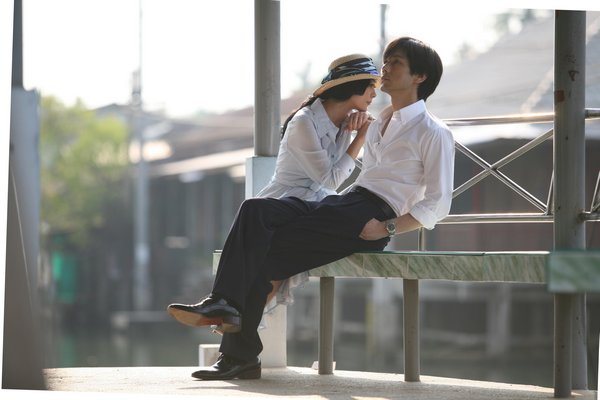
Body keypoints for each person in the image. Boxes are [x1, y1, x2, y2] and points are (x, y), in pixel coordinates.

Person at [167, 36, 455, 381]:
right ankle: (228, 320)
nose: (385, 69)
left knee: (260, 251)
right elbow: (353, 177)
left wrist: (387, 227)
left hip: (373, 215)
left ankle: (233, 342)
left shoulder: (433, 131)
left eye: (396, 63)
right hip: (346, 202)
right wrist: (353, 136)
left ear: (419, 76)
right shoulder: (378, 123)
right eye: (386, 60)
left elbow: (438, 202)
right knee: (255, 210)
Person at [257, 53, 379, 314]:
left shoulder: (345, 121)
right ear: (353, 85)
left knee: (278, 267)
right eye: (370, 86)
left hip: (313, 207)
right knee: (273, 267)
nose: (374, 94)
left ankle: (240, 323)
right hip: (283, 205)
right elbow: (330, 179)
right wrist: (359, 138)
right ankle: (238, 321)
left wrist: (355, 130)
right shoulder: (304, 121)